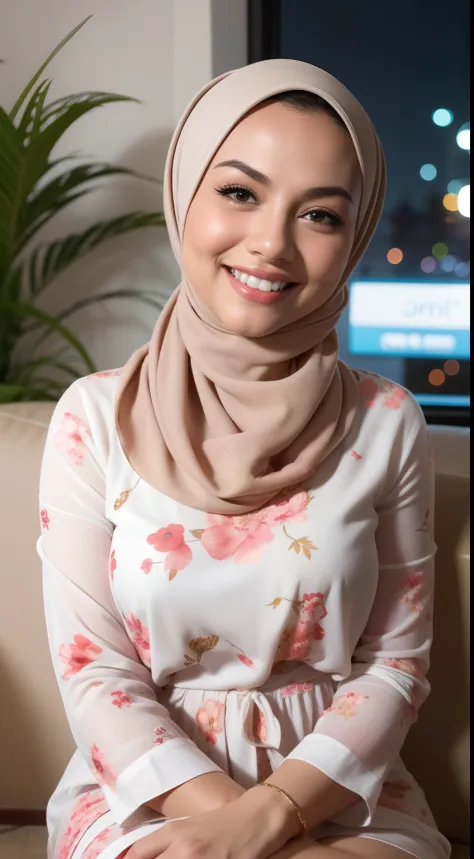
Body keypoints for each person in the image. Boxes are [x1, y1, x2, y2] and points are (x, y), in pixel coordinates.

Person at [37, 59, 451, 859]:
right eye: (238, 192)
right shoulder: (93, 417)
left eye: (321, 215)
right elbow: (95, 675)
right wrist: (231, 825)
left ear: (356, 236)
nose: (271, 242)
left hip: (341, 788)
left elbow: (396, 664)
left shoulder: (388, 420)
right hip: (144, 788)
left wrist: (271, 820)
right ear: (184, 195)